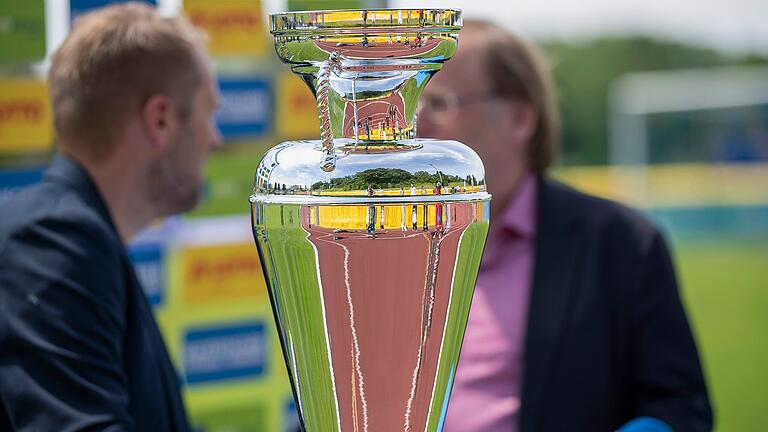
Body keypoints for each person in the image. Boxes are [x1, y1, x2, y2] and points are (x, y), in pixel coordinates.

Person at [417, 20, 712, 432]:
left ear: (520, 118)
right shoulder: (383, 245)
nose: (415, 126)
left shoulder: (623, 243)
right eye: (409, 103)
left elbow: (680, 407)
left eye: (439, 103)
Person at [0, 4, 221, 431]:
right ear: (160, 119)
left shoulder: (78, 238)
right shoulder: (53, 242)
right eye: (208, 114)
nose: (215, 139)